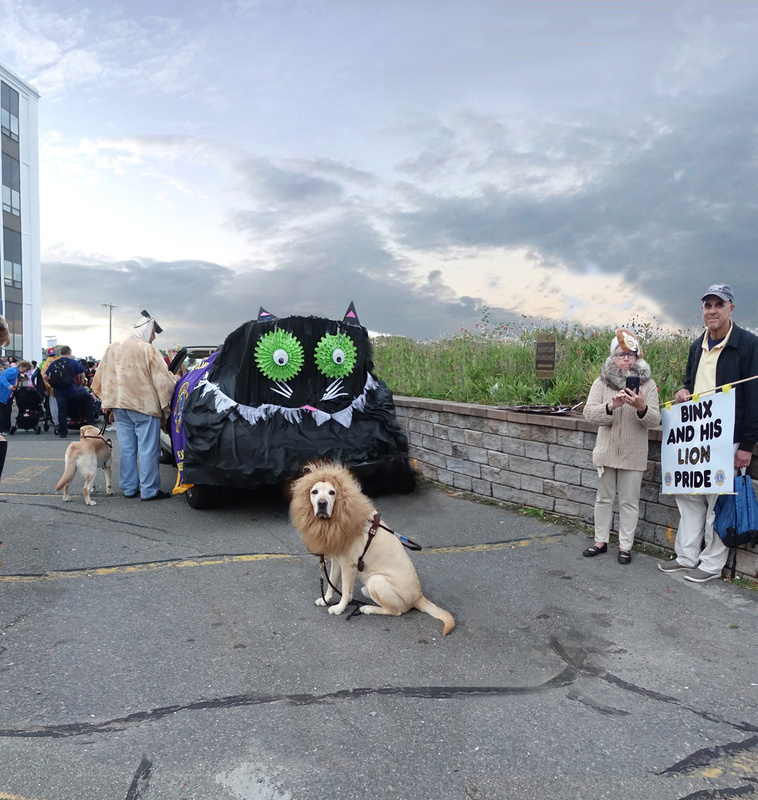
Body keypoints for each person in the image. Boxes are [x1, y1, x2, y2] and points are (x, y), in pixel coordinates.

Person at [660, 283, 758, 583]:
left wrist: (748, 445)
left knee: (717, 500)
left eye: (719, 304)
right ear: (702, 310)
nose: (712, 310)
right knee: (689, 497)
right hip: (695, 436)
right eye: (707, 305)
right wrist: (683, 391)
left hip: (726, 437)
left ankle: (712, 565)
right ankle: (686, 556)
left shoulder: (747, 344)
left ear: (731, 309)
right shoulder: (696, 345)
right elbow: (689, 382)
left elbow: (754, 397)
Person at [582, 329, 661, 564]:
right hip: (606, 451)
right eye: (621, 354)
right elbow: (588, 413)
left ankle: (625, 546)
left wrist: (641, 407)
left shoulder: (647, 384)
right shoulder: (601, 382)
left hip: (633, 453)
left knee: (629, 502)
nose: (626, 358)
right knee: (603, 499)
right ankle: (600, 541)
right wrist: (610, 406)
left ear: (637, 357)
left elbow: (655, 419)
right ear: (613, 358)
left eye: (631, 354)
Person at [91, 310, 178, 501]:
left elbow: (101, 377)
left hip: (119, 406)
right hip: (143, 406)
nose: (154, 336)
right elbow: (163, 380)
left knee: (128, 448)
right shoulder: (147, 350)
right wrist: (177, 380)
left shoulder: (113, 348)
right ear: (147, 329)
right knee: (148, 449)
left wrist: (107, 400)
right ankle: (149, 490)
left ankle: (129, 488)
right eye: (154, 332)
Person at [44, 346, 96, 438]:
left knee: (62, 410)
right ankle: (89, 423)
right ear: (69, 352)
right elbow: (82, 375)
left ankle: (63, 432)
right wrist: (79, 385)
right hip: (72, 390)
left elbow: (45, 376)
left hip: (58, 391)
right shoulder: (73, 362)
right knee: (88, 398)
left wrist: (52, 384)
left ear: (60, 353)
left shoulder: (54, 363)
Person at [0, 359, 33, 433]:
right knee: (4, 412)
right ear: (21, 366)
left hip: (8, 394)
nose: (25, 372)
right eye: (25, 370)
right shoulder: (14, 371)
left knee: (7, 411)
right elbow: (2, 378)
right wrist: (8, 385)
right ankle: (3, 429)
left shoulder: (16, 372)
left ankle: (6, 428)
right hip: (4, 393)